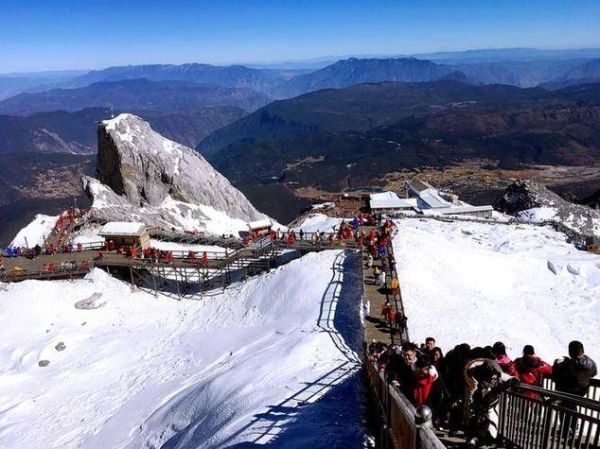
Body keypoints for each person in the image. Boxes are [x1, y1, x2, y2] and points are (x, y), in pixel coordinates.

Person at [552, 341, 597, 440]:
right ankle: (571, 428)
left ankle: (568, 429)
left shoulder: (568, 363)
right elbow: (594, 372)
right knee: (571, 407)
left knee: (565, 408)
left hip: (568, 390)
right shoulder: (590, 363)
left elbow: (556, 376)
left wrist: (556, 364)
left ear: (570, 351)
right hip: (581, 391)